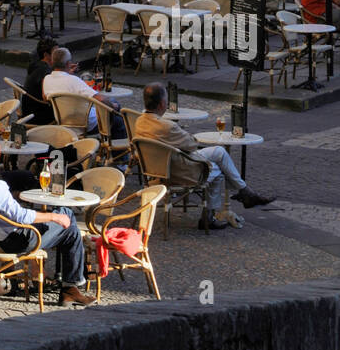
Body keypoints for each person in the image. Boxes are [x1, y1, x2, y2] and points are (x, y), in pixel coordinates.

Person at [0, 139, 95, 305]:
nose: (0, 157)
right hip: (17, 239)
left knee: (65, 217)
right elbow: (20, 217)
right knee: (68, 222)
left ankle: (69, 284)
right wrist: (53, 217)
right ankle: (70, 287)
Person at [134, 83, 274, 230]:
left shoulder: (140, 121)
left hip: (156, 169)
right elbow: (192, 144)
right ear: (162, 103)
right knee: (219, 171)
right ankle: (217, 212)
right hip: (178, 171)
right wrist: (181, 135)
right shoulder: (167, 127)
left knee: (219, 152)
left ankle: (244, 192)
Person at [42, 45, 125, 139]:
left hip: (63, 121)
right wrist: (113, 107)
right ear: (68, 63)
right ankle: (116, 150)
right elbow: (101, 99)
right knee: (117, 117)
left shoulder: (47, 79)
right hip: (86, 123)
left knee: (111, 106)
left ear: (52, 62)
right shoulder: (74, 80)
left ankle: (105, 144)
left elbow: (45, 98)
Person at [21, 35, 58, 123]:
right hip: (38, 115)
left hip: (29, 110)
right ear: (46, 55)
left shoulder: (37, 65)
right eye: (56, 53)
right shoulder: (44, 71)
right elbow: (46, 97)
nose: (58, 55)